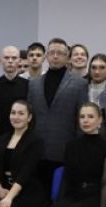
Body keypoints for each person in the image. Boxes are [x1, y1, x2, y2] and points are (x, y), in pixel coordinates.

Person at [27, 37, 88, 187]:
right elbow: (29, 118)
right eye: (52, 52)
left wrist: (79, 150)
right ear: (46, 56)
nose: (55, 56)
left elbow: (82, 120)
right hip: (37, 151)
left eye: (60, 53)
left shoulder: (80, 84)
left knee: (60, 194)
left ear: (67, 57)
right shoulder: (33, 84)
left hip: (65, 151)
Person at [0, 45, 29, 124]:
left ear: (19, 60)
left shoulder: (28, 85)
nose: (10, 61)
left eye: (14, 58)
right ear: (0, 60)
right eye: (6, 58)